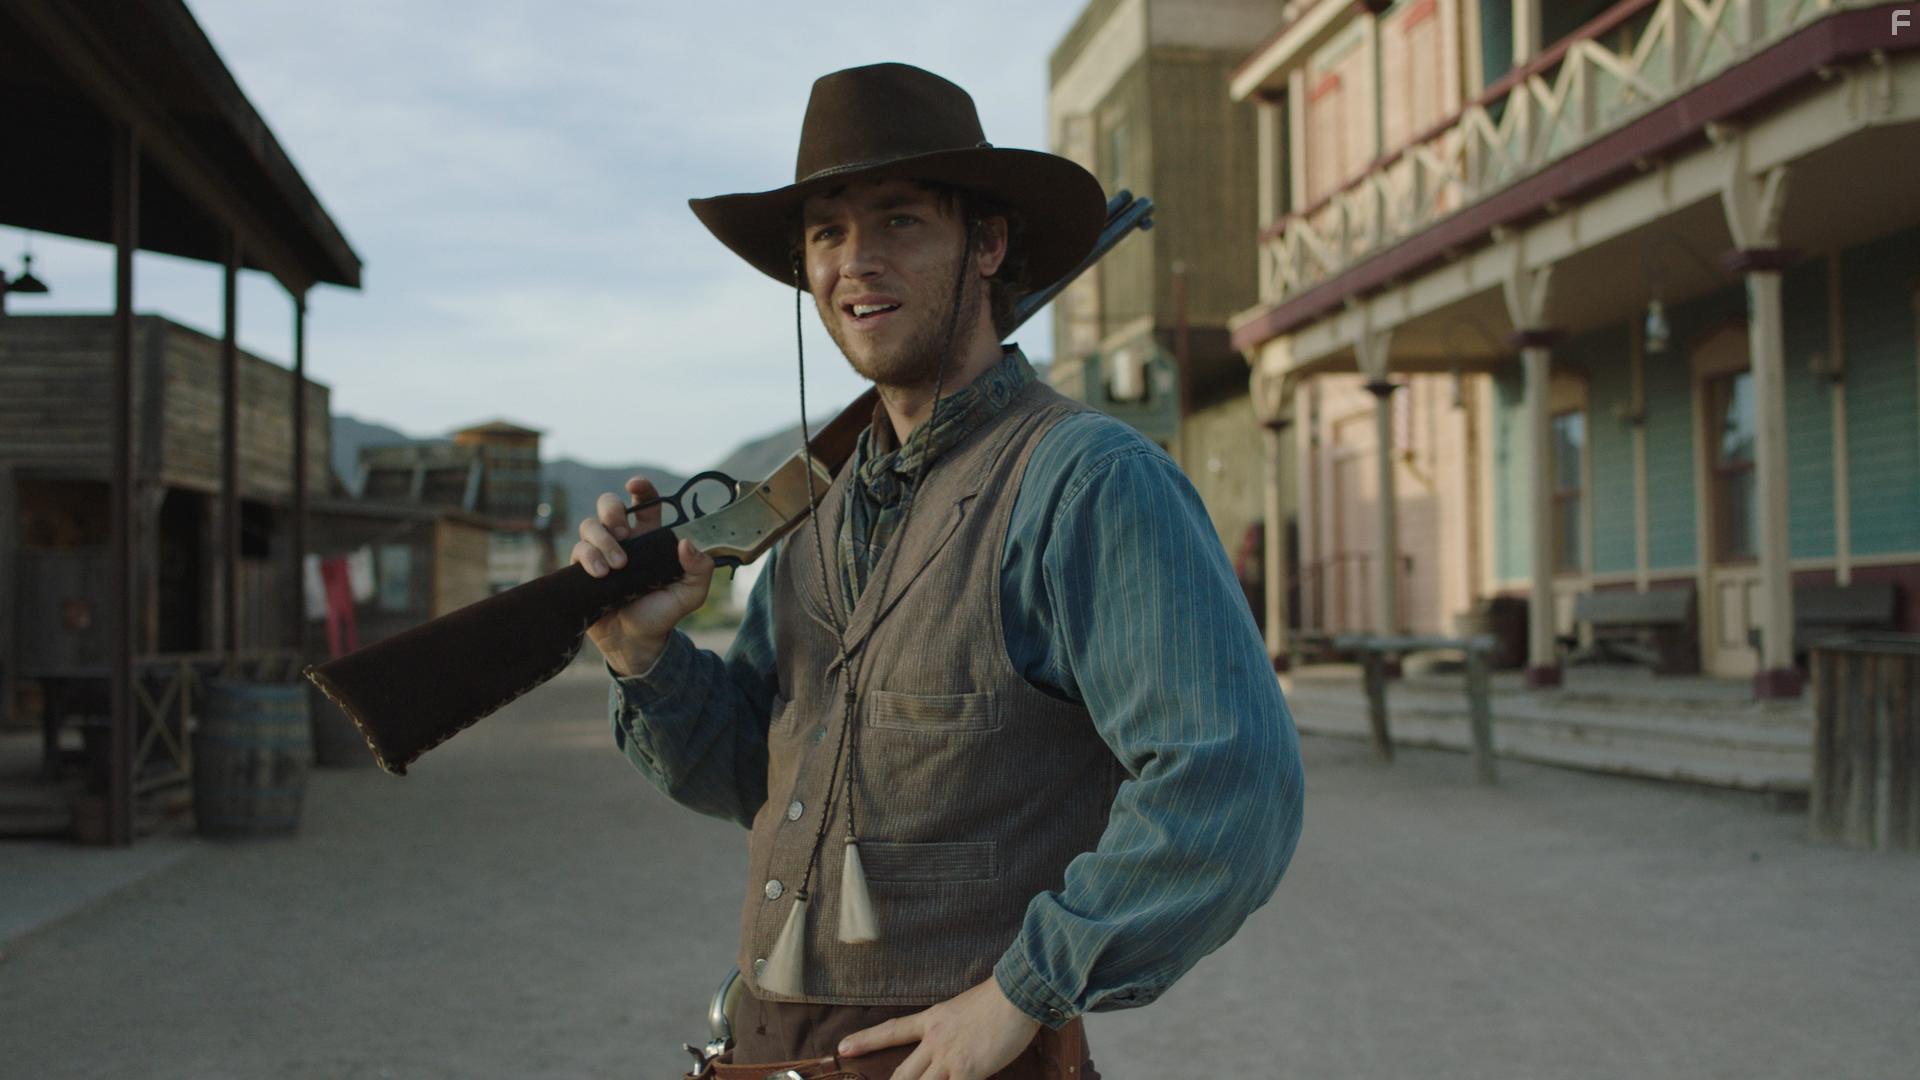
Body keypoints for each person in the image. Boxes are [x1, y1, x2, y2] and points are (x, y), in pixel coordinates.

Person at [574, 63, 1303, 1080]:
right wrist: (645, 655)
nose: (855, 263)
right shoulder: (815, 508)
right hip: (765, 1046)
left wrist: (1024, 993)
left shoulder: (1089, 482)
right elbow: (759, 772)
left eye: (901, 221)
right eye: (827, 233)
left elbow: (1231, 781)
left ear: (989, 243)